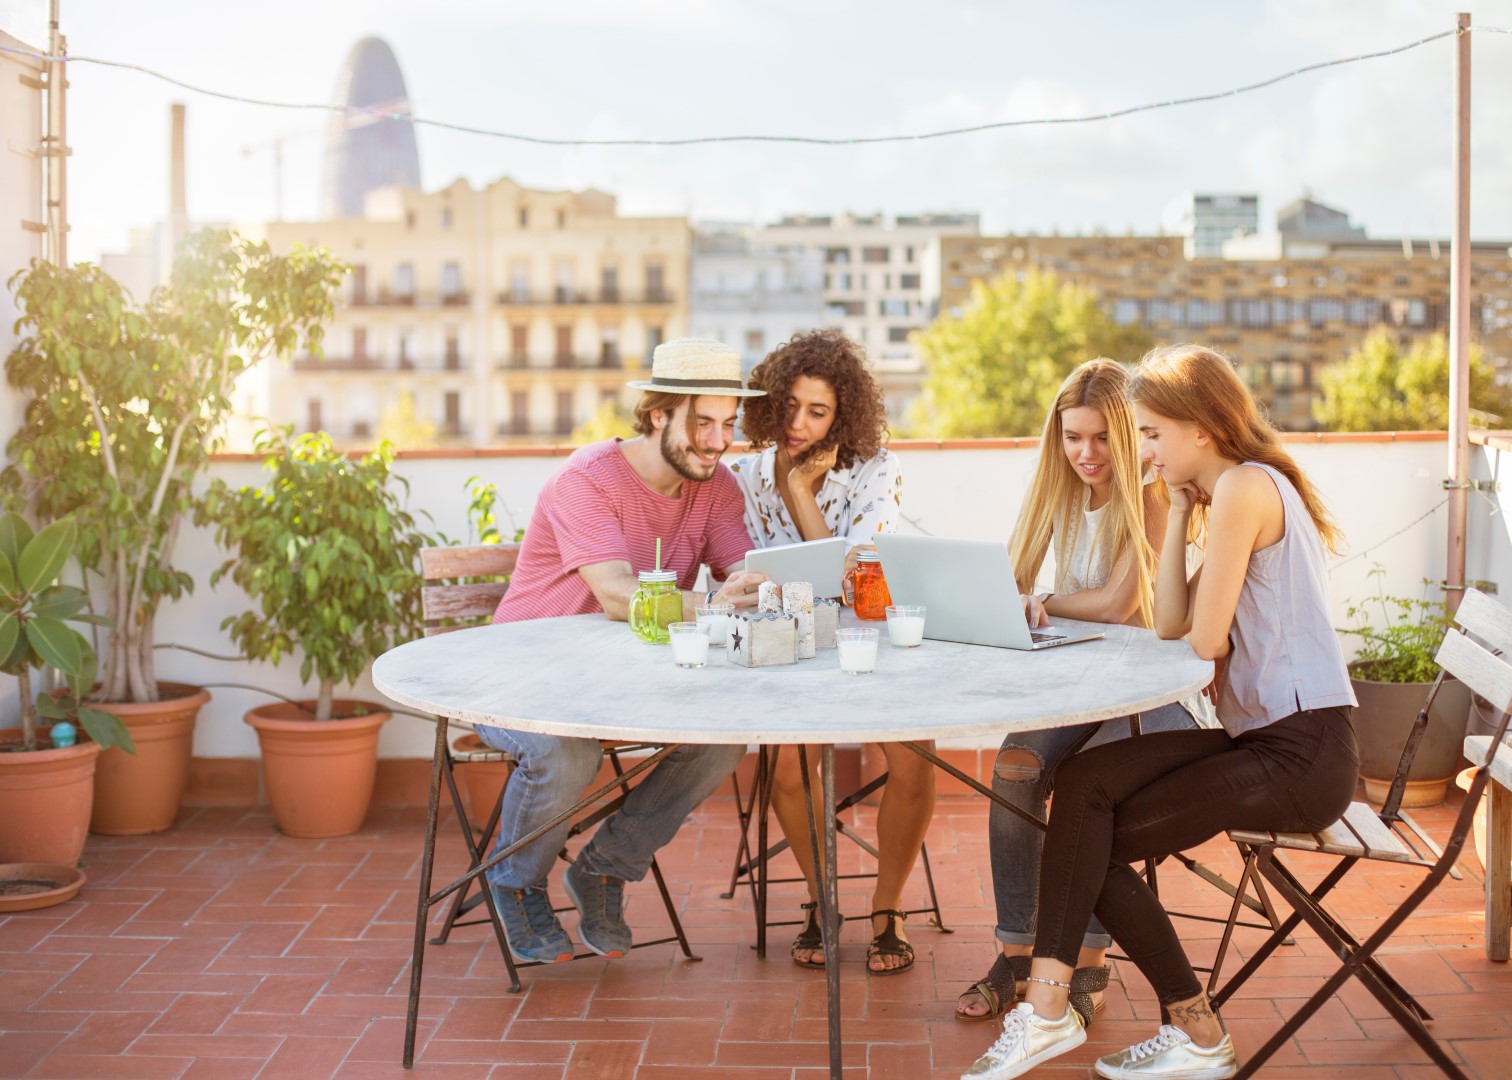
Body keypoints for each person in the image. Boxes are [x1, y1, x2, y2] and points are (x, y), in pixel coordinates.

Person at [960, 344, 1358, 1080]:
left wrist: (1181, 506)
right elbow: (1172, 621)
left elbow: (1204, 639)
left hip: (1302, 755)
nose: (1139, 451)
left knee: (1089, 839)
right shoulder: (1228, 491)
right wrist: (1175, 512)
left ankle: (1106, 1020)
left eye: (1148, 434)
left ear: (1199, 427)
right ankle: (1074, 1015)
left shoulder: (1245, 487)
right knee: (1084, 790)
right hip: (1260, 740)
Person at [478, 338, 770, 964]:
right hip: (518, 676)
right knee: (566, 752)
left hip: (621, 683)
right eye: (702, 423)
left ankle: (605, 868)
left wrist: (756, 580)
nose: (718, 442)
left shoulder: (714, 488)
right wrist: (721, 604)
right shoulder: (586, 480)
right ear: (659, 413)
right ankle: (513, 879)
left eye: (727, 425)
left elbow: (737, 563)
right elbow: (616, 594)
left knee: (722, 738)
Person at [954, 358, 1202, 1029]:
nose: (1085, 454)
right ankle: (1015, 951)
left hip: (1160, 698)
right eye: (1072, 438)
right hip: (1087, 688)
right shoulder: (1060, 492)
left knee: (1089, 789)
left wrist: (1044, 602)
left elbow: (1121, 604)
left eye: (1099, 438)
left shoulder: (1153, 493)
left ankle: (1089, 959)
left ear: (1125, 436)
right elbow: (1004, 584)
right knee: (1015, 767)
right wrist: (1004, 601)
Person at [728, 329, 931, 976]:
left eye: (817, 411)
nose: (798, 424)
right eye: (788, 406)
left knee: (915, 759)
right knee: (787, 770)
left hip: (872, 636)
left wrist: (800, 497)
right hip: (793, 644)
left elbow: (858, 586)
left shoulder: (878, 471)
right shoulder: (745, 476)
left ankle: (887, 907)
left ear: (843, 413)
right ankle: (821, 898)